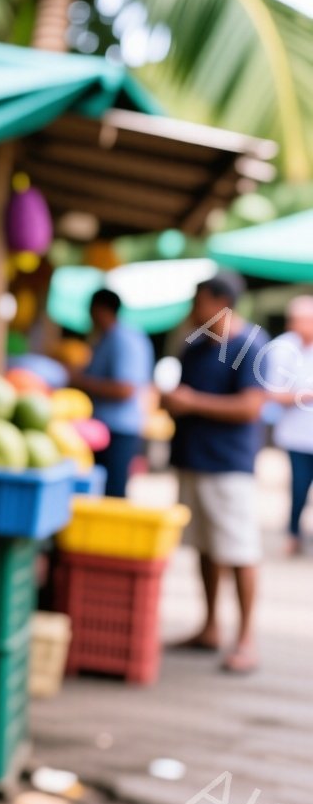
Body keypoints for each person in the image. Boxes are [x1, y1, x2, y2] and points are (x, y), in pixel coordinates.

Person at [164, 274, 268, 674]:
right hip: (192, 459)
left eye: (198, 301)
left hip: (228, 465)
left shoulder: (248, 346)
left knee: (240, 550)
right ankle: (210, 626)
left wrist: (192, 403)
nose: (192, 309)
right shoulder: (195, 346)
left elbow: (250, 407)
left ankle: (246, 639)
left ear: (219, 303)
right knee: (205, 547)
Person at [70, 289, 154, 498]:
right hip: (107, 430)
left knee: (112, 494)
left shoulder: (123, 339)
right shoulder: (108, 338)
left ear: (98, 309)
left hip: (118, 432)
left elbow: (125, 389)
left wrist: (81, 381)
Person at [264, 295, 313, 555]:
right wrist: (302, 396)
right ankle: (293, 533)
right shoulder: (281, 349)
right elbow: (270, 392)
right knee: (298, 487)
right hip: (296, 435)